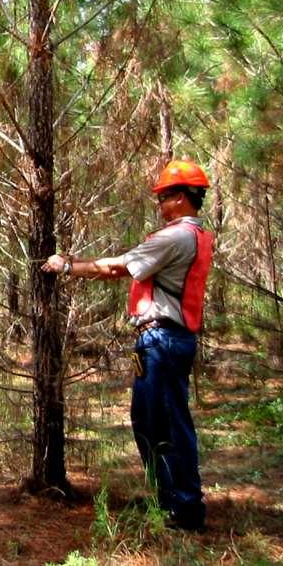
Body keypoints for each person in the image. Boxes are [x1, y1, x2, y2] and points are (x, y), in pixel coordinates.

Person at [41, 159, 213, 531]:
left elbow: (118, 268)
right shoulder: (195, 237)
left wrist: (68, 266)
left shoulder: (177, 237)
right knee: (150, 421)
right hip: (159, 342)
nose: (160, 204)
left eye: (165, 197)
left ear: (183, 198)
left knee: (165, 423)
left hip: (162, 343)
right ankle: (171, 499)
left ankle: (183, 507)